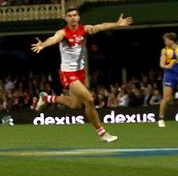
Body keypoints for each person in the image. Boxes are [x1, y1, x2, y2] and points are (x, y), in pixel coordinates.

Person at [32, 8, 133, 142]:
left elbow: (100, 26)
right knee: (89, 100)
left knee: (75, 105)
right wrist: (43, 45)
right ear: (66, 19)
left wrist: (117, 24)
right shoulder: (62, 33)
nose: (73, 18)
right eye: (70, 16)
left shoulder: (84, 29)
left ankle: (46, 99)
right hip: (67, 73)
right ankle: (102, 133)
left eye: (75, 15)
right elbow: (54, 39)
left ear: (78, 17)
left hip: (80, 72)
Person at [158, 32, 177, 128]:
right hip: (169, 74)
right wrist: (168, 65)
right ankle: (161, 119)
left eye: (166, 39)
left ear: (171, 40)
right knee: (167, 98)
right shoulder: (164, 50)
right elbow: (161, 64)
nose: (164, 41)